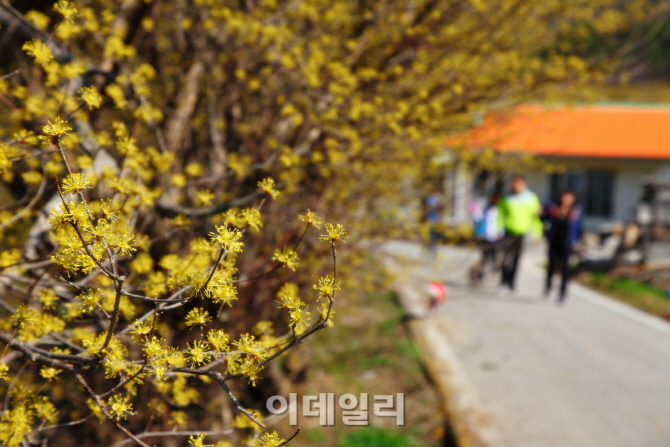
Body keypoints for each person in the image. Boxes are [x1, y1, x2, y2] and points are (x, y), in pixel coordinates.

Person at [497, 174, 542, 292]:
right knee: (505, 257)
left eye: (518, 183)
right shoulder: (506, 197)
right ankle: (503, 281)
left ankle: (511, 282)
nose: (515, 186)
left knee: (517, 258)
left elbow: (536, 218)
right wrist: (498, 229)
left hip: (523, 233)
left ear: (524, 184)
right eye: (513, 183)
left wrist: (537, 233)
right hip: (508, 231)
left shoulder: (531, 198)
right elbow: (500, 214)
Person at [543, 190, 582, 304]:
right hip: (554, 242)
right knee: (551, 265)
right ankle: (548, 286)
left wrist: (580, 242)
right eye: (565, 197)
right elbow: (544, 218)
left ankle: (562, 293)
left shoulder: (576, 211)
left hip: (568, 243)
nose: (567, 200)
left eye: (570, 197)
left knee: (565, 269)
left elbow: (579, 227)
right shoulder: (553, 208)